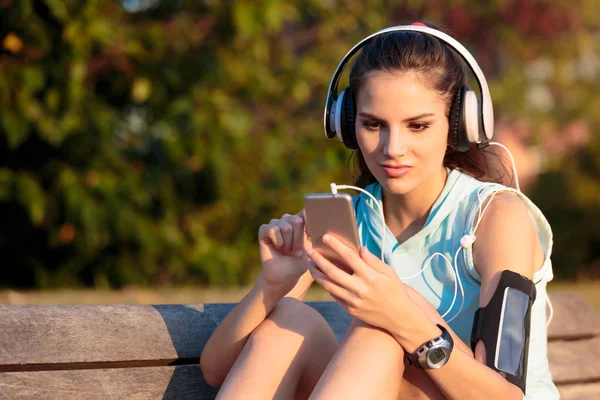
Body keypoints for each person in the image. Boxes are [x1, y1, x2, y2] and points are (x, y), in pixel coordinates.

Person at [200, 23, 559, 399]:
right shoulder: (349, 221)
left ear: (459, 125)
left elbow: (504, 397)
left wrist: (402, 317)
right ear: (347, 124)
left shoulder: (496, 217)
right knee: (290, 319)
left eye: (417, 126)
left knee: (379, 335)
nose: (393, 148)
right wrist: (272, 286)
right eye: (373, 124)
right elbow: (214, 369)